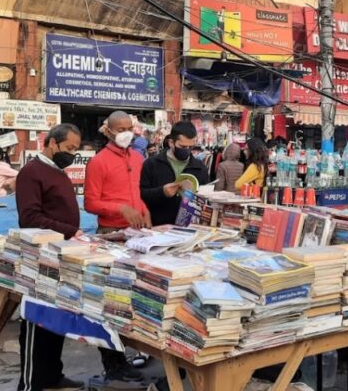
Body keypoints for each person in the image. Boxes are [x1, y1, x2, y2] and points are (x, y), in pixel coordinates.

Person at [14, 123, 84, 391]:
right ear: (52, 143)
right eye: (69, 148)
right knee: (36, 321)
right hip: (39, 259)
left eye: (76, 150)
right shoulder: (32, 173)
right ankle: (31, 383)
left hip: (61, 256)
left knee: (56, 321)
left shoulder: (59, 172)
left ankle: (53, 376)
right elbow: (29, 217)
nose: (72, 154)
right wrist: (71, 231)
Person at [82, 112, 148, 382]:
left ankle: (129, 354)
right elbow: (90, 203)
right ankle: (114, 364)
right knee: (108, 303)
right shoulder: (98, 162)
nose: (125, 133)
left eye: (128, 128)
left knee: (134, 299)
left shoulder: (138, 158)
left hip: (137, 235)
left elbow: (138, 194)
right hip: (109, 234)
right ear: (108, 131)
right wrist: (119, 208)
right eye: (119, 129)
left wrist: (144, 211)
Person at [141, 122, 211, 226]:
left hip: (189, 229)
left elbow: (207, 200)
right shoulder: (151, 164)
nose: (187, 150)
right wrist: (162, 192)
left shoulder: (200, 168)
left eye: (190, 147)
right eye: (182, 146)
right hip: (158, 228)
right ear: (171, 142)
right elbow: (140, 195)